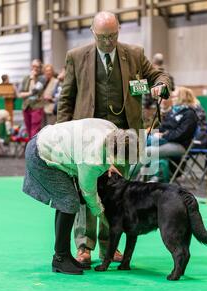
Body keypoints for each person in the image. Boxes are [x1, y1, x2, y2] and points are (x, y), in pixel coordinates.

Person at [57, 11, 171, 266]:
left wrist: (161, 86)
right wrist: (62, 134)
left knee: (118, 197)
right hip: (87, 138)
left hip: (125, 138)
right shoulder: (76, 57)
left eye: (113, 35)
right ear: (92, 33)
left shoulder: (134, 53)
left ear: (119, 30)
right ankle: (84, 246)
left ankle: (110, 248)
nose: (108, 41)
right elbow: (66, 99)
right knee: (86, 190)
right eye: (103, 37)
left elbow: (158, 77)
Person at [22, 118, 137, 275]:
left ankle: (64, 255)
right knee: (69, 202)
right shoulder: (91, 161)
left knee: (66, 201)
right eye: (122, 161)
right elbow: (89, 194)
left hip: (50, 140)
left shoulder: (111, 129)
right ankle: (60, 259)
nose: (122, 164)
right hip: (41, 154)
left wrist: (109, 163)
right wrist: (105, 218)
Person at [19, 59, 44, 138]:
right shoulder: (26, 78)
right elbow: (20, 94)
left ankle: (32, 149)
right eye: (33, 66)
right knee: (29, 130)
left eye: (37, 67)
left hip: (36, 107)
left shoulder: (42, 79)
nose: (35, 68)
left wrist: (32, 79)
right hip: (26, 107)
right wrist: (29, 93)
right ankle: (30, 148)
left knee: (34, 131)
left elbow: (34, 91)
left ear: (40, 68)